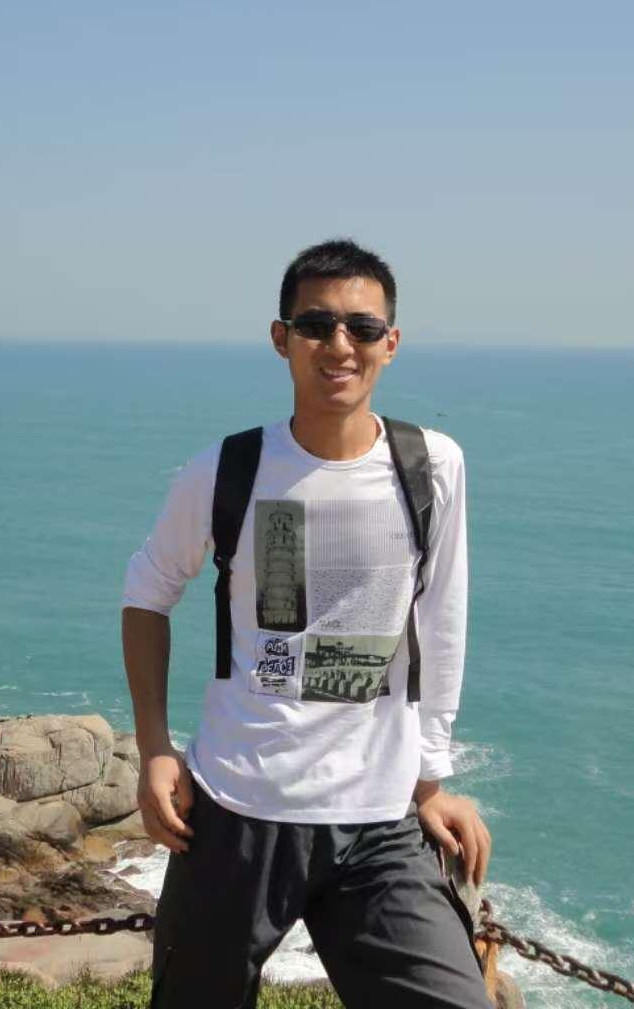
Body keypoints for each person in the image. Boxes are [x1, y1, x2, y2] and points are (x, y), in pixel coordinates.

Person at [121, 238, 493, 1009]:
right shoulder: (225, 470)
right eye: (316, 325)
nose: (339, 345)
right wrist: (154, 749)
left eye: (362, 327)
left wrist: (430, 780)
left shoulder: (432, 466)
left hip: (379, 820)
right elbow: (147, 593)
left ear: (391, 342)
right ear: (281, 338)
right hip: (234, 812)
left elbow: (442, 620)